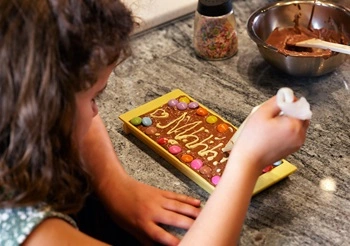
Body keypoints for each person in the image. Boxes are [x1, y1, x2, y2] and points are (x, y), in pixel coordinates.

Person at [0, 0, 309, 245]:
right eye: (95, 96)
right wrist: (247, 160)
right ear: (43, 112)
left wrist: (113, 184)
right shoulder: (25, 229)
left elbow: (76, 98)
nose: (97, 112)